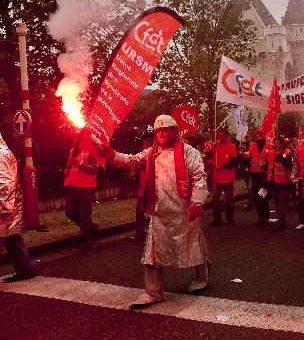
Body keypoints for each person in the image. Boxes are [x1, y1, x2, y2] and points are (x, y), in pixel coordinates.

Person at [100, 115, 209, 308]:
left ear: (175, 131)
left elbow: (199, 176)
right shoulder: (151, 153)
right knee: (152, 253)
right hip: (159, 212)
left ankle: (202, 277)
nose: (161, 134)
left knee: (194, 245)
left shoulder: (188, 151)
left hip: (184, 210)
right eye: (158, 131)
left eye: (165, 130)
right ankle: (153, 292)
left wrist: (197, 203)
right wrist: (109, 153)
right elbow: (131, 161)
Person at [0, 132, 36, 283]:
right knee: (12, 239)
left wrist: (5, 208)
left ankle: (26, 267)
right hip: (7, 205)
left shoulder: (1, 154)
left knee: (9, 238)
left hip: (5, 206)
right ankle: (26, 267)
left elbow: (6, 183)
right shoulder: (3, 152)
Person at [64, 136, 106, 251]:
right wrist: (67, 170)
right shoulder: (74, 150)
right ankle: (91, 228)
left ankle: (87, 241)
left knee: (84, 215)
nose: (77, 139)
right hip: (73, 186)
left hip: (86, 187)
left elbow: (95, 170)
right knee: (69, 211)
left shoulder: (93, 151)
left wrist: (80, 165)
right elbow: (70, 166)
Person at [210, 127, 238, 226]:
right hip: (216, 178)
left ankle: (229, 219)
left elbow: (234, 162)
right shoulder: (215, 146)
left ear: (227, 136)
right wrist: (210, 149)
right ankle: (217, 219)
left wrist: (222, 166)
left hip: (228, 178)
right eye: (218, 135)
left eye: (221, 135)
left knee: (229, 200)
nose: (219, 137)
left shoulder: (232, 147)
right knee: (214, 199)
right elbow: (208, 156)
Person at [267, 136, 293, 232]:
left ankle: (282, 223)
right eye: (275, 143)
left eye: (278, 143)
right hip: (274, 181)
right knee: (277, 203)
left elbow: (288, 165)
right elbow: (269, 166)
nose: (276, 145)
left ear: (282, 144)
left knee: (281, 204)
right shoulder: (271, 152)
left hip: (283, 182)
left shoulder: (287, 153)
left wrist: (281, 158)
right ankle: (280, 220)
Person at [129, 136, 153, 241]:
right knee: (139, 211)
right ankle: (140, 233)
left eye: (146, 145)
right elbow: (135, 168)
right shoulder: (142, 158)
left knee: (154, 212)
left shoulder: (154, 156)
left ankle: (155, 233)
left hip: (152, 189)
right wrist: (133, 171)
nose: (144, 147)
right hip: (142, 189)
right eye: (143, 145)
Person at [246, 129, 271, 225]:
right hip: (254, 174)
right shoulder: (252, 146)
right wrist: (244, 157)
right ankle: (260, 216)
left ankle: (265, 217)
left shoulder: (269, 146)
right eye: (256, 135)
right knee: (256, 196)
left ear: (263, 135)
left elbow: (271, 160)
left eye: (260, 134)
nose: (258, 136)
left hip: (263, 175)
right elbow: (251, 158)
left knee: (263, 196)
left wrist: (265, 163)